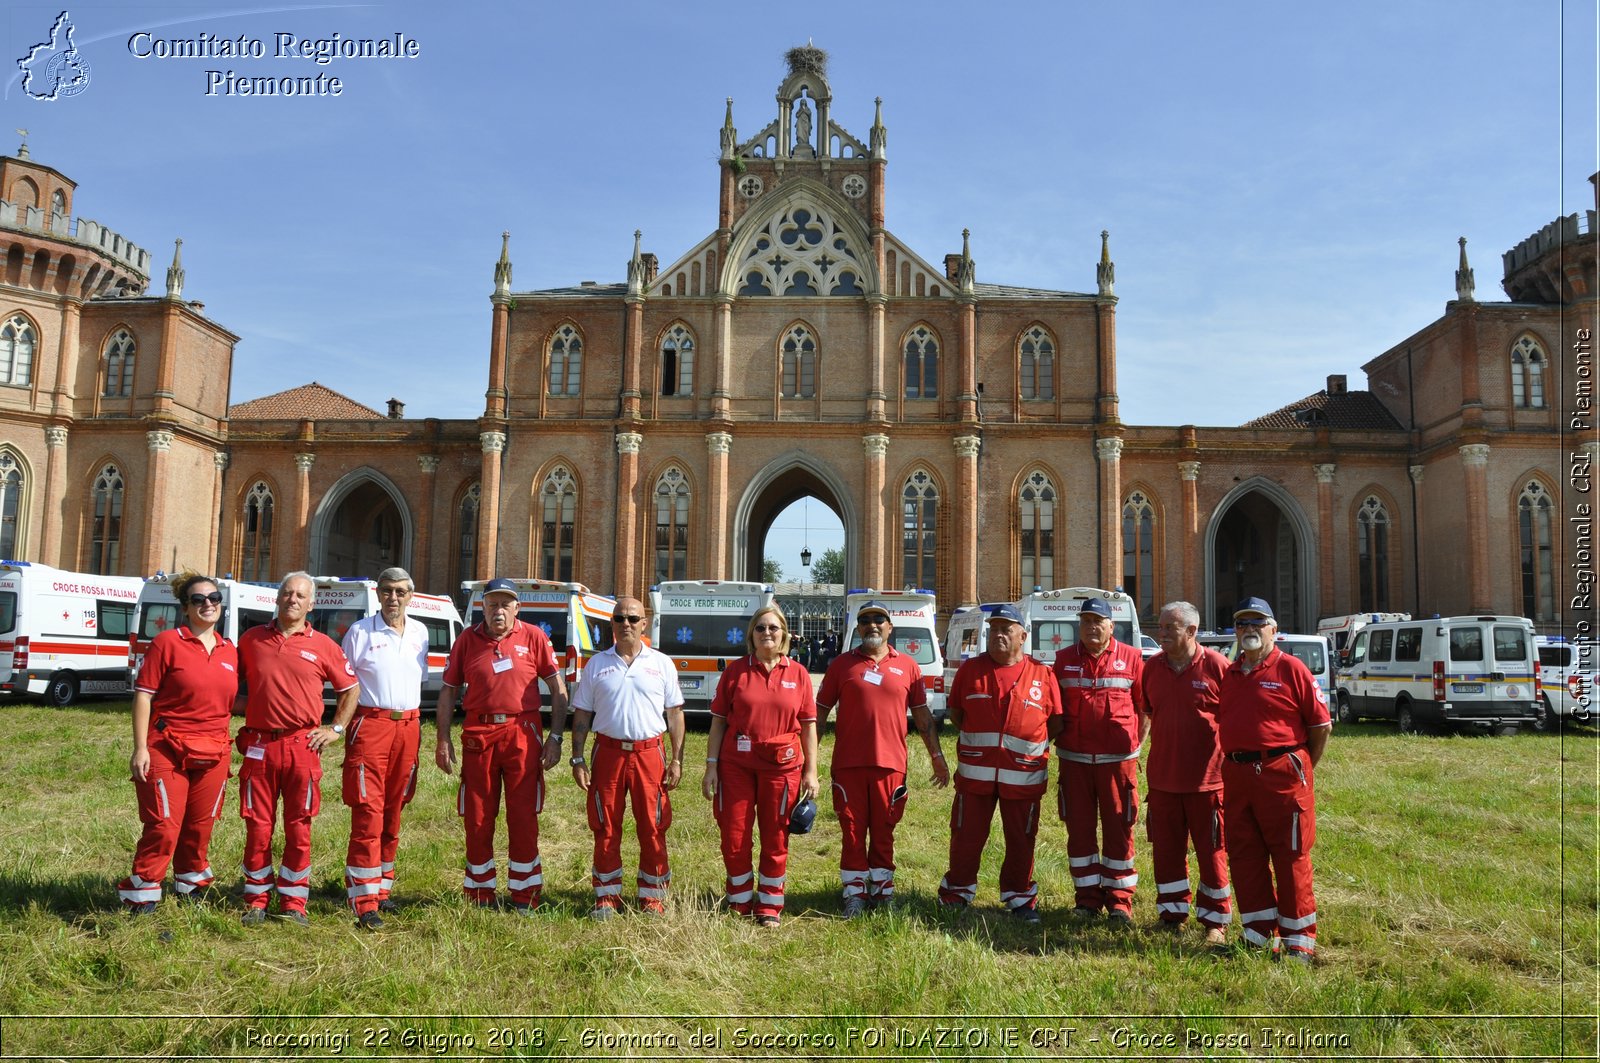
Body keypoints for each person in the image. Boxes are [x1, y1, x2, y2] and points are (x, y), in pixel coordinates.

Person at [435, 578, 568, 912]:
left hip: (523, 734)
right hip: (479, 734)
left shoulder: (534, 637)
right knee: (478, 815)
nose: (498, 611)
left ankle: (525, 895)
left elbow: (558, 688)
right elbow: (449, 691)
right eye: (492, 604)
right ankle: (480, 894)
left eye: (505, 604)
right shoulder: (467, 639)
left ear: (516, 609)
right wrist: (442, 739)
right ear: (482, 606)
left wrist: (555, 737)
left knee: (523, 816)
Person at [235, 572, 359, 926]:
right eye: (287, 593)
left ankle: (293, 901)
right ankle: (256, 899)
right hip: (259, 745)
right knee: (258, 826)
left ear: (311, 603)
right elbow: (231, 682)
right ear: (277, 597)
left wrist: (336, 729)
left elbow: (350, 689)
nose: (292, 599)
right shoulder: (251, 639)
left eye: (300, 595)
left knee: (299, 826)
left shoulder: (323, 645)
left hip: (302, 745)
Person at [1217, 596, 1332, 962]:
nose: (1249, 630)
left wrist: (1299, 765)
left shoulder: (1292, 669)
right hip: (1237, 775)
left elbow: (1320, 725)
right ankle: (1257, 935)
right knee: (1245, 854)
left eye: (1257, 623)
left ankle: (1298, 940)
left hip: (1282, 776)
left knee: (1291, 854)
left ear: (1274, 630)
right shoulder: (1231, 674)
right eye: (1241, 624)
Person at [817, 601, 949, 917]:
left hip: (891, 765)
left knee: (884, 829)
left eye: (879, 620)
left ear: (890, 628)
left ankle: (882, 891)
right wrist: (807, 761)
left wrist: (937, 756)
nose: (872, 625)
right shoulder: (841, 665)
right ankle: (854, 894)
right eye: (865, 621)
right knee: (851, 831)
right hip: (848, 765)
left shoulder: (908, 666)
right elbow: (819, 714)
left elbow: (922, 716)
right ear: (857, 628)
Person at [118, 574, 238, 914]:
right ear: (186, 608)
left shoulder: (231, 650)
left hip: (214, 751)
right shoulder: (167, 642)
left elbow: (236, 700)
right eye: (199, 600)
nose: (208, 604)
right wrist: (140, 747)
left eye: (214, 598)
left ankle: (191, 886)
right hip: (166, 748)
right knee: (164, 826)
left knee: (200, 826)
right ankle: (141, 894)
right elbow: (144, 695)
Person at [937, 604, 1059, 922]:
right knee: (966, 835)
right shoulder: (970, 670)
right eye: (994, 630)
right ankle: (958, 892)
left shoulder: (1043, 674)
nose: (999, 635)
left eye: (1007, 629)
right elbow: (957, 715)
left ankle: (1019, 897)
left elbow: (1055, 722)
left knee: (1021, 838)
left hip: (1023, 777)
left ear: (1023, 636)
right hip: (976, 775)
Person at [701, 605, 819, 927]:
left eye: (773, 628)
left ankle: (769, 904)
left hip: (782, 769)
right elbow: (718, 723)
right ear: (751, 635)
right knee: (734, 834)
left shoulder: (798, 674)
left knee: (775, 834)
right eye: (760, 628)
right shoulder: (735, 672)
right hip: (736, 767)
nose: (767, 633)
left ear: (784, 635)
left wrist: (811, 771)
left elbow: (808, 726)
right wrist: (711, 766)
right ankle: (738, 901)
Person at [569, 595, 686, 919]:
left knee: (653, 825)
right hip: (608, 754)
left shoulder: (661, 663)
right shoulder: (597, 664)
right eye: (619, 619)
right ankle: (607, 897)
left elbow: (675, 714)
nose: (626, 625)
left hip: (650, 755)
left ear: (644, 624)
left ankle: (653, 898)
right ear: (611, 625)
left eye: (633, 619)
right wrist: (577, 758)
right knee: (605, 824)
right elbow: (582, 714)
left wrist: (676, 759)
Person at [1136, 600, 1232, 944]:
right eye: (1160, 627)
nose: (1160, 634)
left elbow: (1234, 719)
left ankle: (1214, 922)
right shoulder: (1152, 669)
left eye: (1168, 628)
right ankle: (1172, 913)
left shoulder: (1218, 667)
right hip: (1163, 781)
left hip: (1208, 782)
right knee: (1166, 851)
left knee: (1212, 852)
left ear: (1191, 631)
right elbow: (1146, 711)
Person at [338, 567, 428, 930]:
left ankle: (383, 889)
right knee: (368, 810)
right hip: (371, 725)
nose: (394, 598)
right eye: (388, 591)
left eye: (401, 592)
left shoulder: (420, 633)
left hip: (409, 726)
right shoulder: (360, 632)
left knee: (394, 808)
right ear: (378, 594)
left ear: (411, 595)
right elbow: (345, 685)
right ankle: (363, 898)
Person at [1050, 596, 1145, 926]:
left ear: (1111, 626)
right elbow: (1053, 710)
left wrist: (1134, 748)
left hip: (1117, 764)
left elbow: (1143, 709)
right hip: (1074, 762)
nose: (1092, 627)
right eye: (1086, 621)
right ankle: (1087, 899)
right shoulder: (1062, 661)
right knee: (1079, 832)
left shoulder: (1132, 659)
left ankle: (1120, 902)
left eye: (1098, 621)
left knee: (1120, 830)